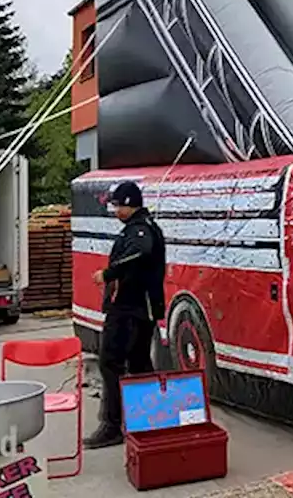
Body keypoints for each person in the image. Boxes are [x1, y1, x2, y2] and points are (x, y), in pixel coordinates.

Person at [84, 181, 166, 449]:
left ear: (130, 204)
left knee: (111, 363)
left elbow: (139, 254)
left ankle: (113, 425)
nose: (115, 210)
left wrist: (108, 274)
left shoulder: (141, 231)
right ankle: (149, 419)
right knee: (139, 363)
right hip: (137, 310)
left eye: (118, 205)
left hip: (130, 309)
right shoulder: (141, 227)